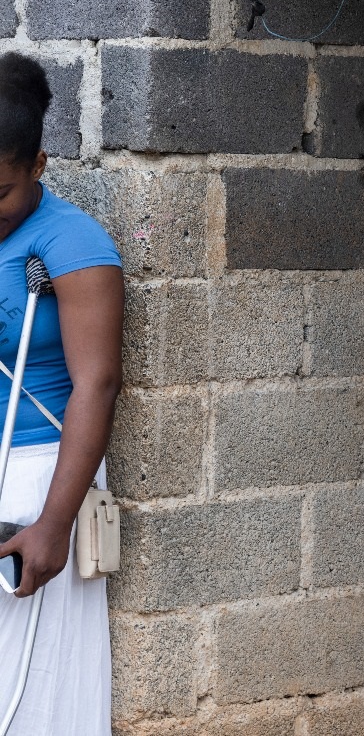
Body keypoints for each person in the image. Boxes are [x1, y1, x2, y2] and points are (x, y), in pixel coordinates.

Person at [0, 53, 123, 733]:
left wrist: (54, 523)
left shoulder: (72, 243)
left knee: (26, 688)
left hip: (31, 478)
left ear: (39, 166)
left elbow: (97, 385)